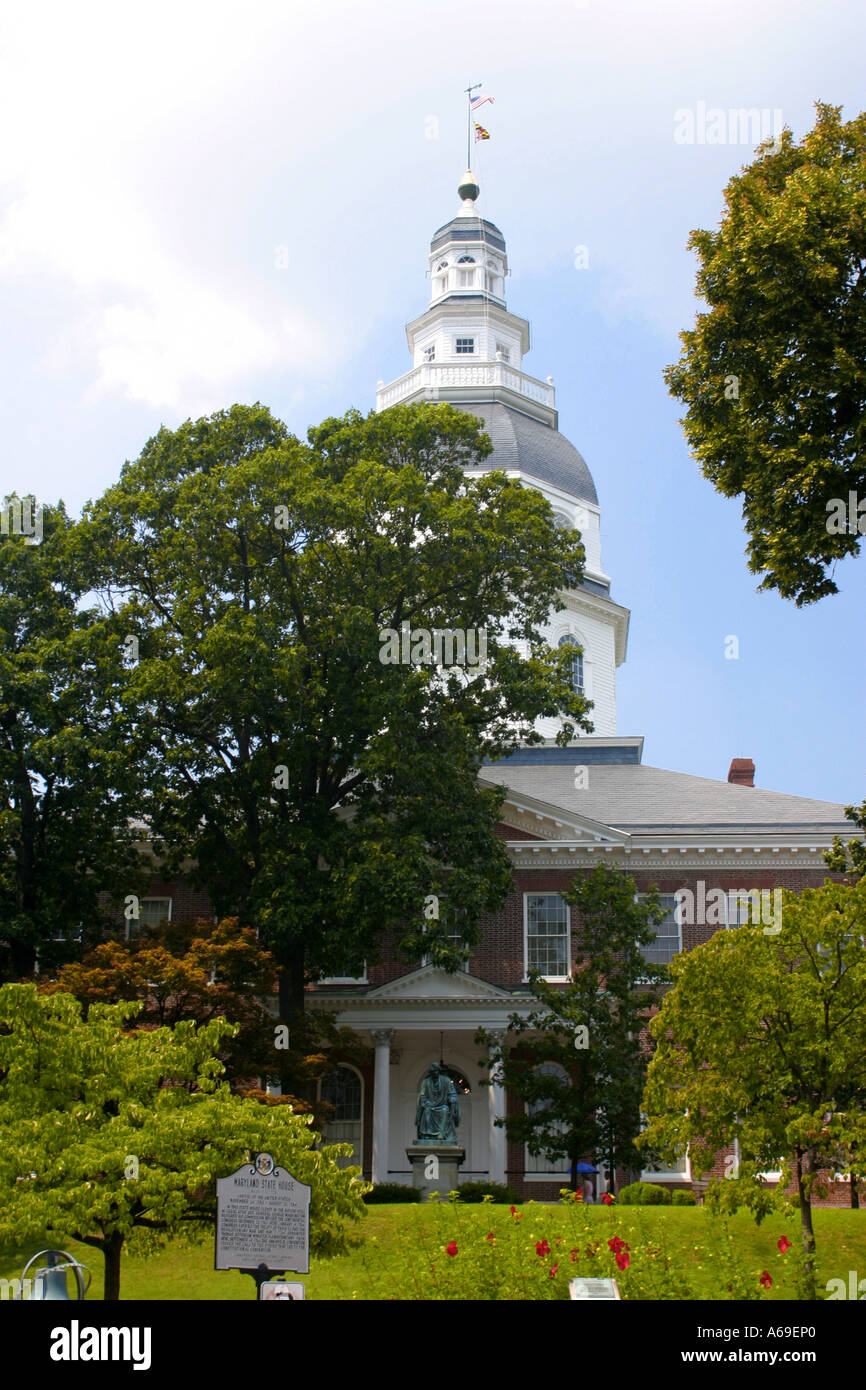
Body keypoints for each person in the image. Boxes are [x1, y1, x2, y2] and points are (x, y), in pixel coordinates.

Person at [415, 1062, 460, 1144]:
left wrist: (452, 1099)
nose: (434, 1073)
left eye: (436, 1071)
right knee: (427, 1111)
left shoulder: (446, 1081)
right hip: (429, 1105)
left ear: (438, 1071)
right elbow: (422, 1096)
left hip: (442, 1106)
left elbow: (452, 1094)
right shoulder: (426, 1082)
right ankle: (427, 1135)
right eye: (432, 1072)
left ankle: (441, 1134)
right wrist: (426, 1102)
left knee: (445, 1110)